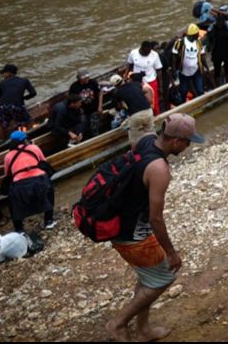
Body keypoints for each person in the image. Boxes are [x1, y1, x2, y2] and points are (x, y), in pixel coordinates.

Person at [106, 112, 203, 342]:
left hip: (121, 220)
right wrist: (171, 252)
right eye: (188, 142)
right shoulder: (159, 169)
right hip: (131, 233)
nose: (188, 146)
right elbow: (155, 218)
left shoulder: (147, 140)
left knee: (148, 276)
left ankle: (143, 330)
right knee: (163, 277)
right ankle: (118, 324)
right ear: (176, 141)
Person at [4, 131, 55, 233]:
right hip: (39, 181)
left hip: (20, 186)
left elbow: (7, 175)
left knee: (12, 202)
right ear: (25, 140)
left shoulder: (8, 156)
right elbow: (44, 163)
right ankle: (48, 220)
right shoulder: (34, 148)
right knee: (50, 189)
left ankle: (19, 228)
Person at [0, 64, 36, 141]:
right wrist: (24, 98)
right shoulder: (24, 81)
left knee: (2, 125)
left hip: (2, 107)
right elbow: (33, 93)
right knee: (29, 121)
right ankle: (29, 138)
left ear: (9, 73)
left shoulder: (1, 83)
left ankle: (3, 142)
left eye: (4, 73)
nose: (3, 75)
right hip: (17, 105)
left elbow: (1, 97)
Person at [172, 24, 208, 100]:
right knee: (183, 91)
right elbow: (174, 57)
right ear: (193, 35)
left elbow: (202, 56)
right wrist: (174, 70)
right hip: (184, 72)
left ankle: (202, 102)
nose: (198, 35)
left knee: (200, 90)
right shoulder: (180, 42)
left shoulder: (198, 43)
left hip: (196, 70)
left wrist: (206, 67)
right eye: (197, 34)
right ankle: (184, 103)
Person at [128, 42, 163, 115]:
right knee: (139, 101)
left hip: (151, 81)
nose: (149, 53)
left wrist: (160, 86)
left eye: (150, 51)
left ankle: (156, 115)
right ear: (142, 48)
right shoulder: (133, 53)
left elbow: (159, 70)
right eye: (147, 52)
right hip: (137, 83)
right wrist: (127, 77)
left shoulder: (154, 55)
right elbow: (130, 65)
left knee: (154, 102)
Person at [69, 69, 102, 139]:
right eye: (85, 78)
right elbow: (71, 100)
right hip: (82, 111)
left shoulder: (93, 82)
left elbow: (100, 93)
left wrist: (100, 106)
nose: (87, 79)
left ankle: (97, 137)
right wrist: (79, 109)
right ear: (79, 78)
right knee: (83, 127)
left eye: (87, 77)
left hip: (94, 109)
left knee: (94, 127)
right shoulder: (74, 87)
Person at [207, 13, 228, 87]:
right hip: (216, 54)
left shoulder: (227, 30)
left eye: (221, 22)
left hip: (227, 53)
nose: (219, 23)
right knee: (217, 71)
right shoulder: (213, 29)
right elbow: (209, 41)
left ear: (223, 22)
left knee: (227, 70)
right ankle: (218, 86)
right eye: (218, 22)